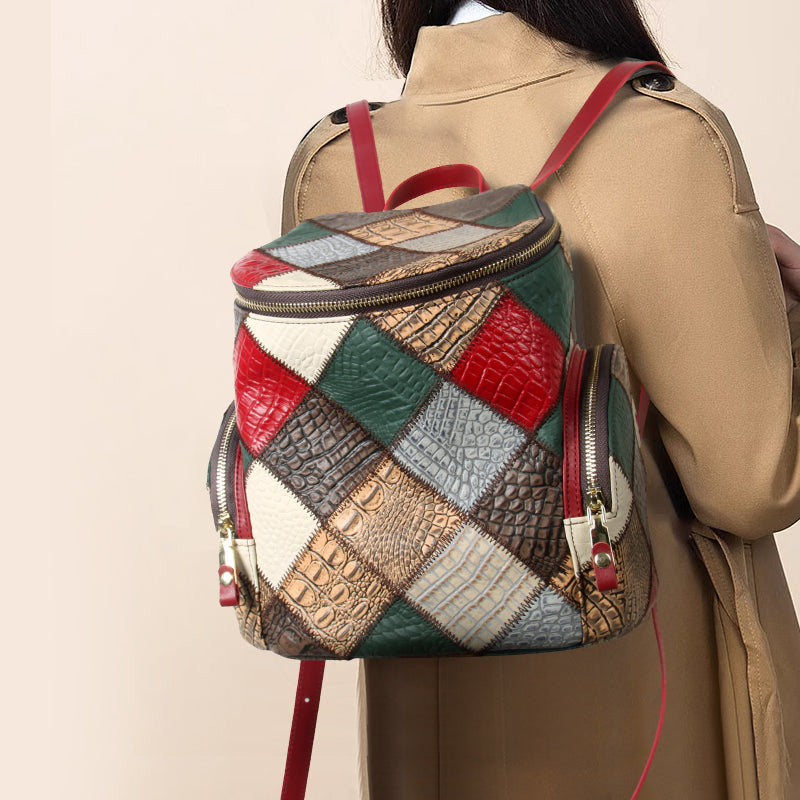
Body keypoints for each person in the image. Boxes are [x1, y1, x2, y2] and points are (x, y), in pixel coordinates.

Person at [279, 1, 800, 797]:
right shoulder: (664, 134)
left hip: (429, 718)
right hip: (652, 698)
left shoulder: (339, 159)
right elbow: (752, 486)